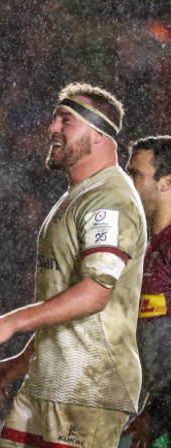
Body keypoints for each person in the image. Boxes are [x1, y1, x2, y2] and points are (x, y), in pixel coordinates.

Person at [0, 83, 146, 448]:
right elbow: (65, 303)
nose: (52, 128)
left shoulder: (110, 200)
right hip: (50, 379)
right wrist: (21, 362)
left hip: (88, 383)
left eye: (66, 120)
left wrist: (9, 323)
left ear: (99, 134)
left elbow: (94, 294)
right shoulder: (77, 196)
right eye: (55, 118)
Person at [122, 136, 171, 448]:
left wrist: (159, 411)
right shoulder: (145, 247)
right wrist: (151, 407)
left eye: (135, 175)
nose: (127, 184)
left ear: (166, 182)